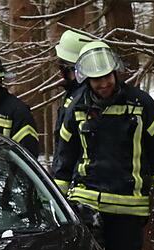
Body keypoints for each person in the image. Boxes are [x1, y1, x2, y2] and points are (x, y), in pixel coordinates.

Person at [52, 41, 154, 250]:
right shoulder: (76, 108)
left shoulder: (142, 105)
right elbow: (64, 161)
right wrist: (57, 205)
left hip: (129, 207)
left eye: (106, 77)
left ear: (115, 73)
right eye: (97, 80)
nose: (103, 84)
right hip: (87, 202)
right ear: (87, 79)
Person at [53, 30, 92, 193]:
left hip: (81, 188)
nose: (61, 73)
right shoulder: (74, 94)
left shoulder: (83, 101)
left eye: (63, 68)